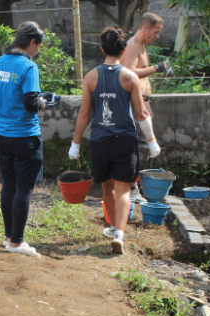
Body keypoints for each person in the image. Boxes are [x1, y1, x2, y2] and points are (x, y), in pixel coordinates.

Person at [69, 27, 159, 254]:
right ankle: (118, 233)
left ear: (102, 49)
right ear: (122, 51)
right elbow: (142, 114)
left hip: (99, 141)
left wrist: (75, 143)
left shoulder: (91, 77)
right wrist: (152, 141)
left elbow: (84, 114)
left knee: (107, 187)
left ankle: (111, 226)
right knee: (123, 189)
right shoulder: (130, 77)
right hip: (124, 140)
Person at [0, 21, 59, 258]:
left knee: (9, 184)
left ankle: (9, 237)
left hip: (2, 135)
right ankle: (17, 242)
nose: (38, 51)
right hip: (25, 137)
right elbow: (31, 104)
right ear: (32, 43)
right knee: (24, 189)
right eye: (39, 46)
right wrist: (44, 102)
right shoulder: (28, 67)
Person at [120, 12, 171, 200]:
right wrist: (156, 68)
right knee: (140, 145)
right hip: (135, 102)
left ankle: (133, 185)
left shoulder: (142, 46)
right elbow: (128, 73)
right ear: (145, 28)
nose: (157, 36)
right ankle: (131, 186)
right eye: (155, 32)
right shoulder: (132, 46)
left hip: (143, 101)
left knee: (142, 145)